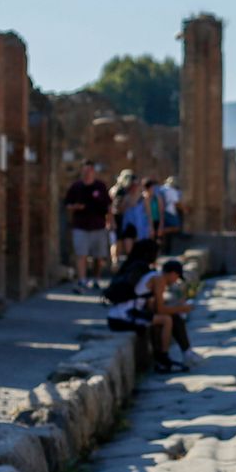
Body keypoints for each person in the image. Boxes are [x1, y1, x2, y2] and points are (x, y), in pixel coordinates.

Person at [105, 242, 194, 373]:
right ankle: (164, 359)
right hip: (123, 316)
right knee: (166, 320)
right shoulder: (158, 280)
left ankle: (167, 356)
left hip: (121, 314)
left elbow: (153, 307)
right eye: (176, 277)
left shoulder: (153, 276)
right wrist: (182, 309)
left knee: (163, 319)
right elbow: (161, 309)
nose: (176, 280)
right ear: (171, 273)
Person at [63, 160, 113, 293]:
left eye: (89, 171)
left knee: (98, 256)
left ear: (93, 172)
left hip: (98, 226)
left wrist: (111, 222)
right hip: (80, 226)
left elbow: (108, 206)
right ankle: (82, 280)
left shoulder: (100, 186)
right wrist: (75, 207)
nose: (87, 173)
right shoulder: (76, 187)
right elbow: (67, 204)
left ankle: (96, 279)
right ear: (82, 172)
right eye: (85, 171)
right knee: (81, 254)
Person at [158, 176, 182, 249]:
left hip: (160, 211)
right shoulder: (172, 191)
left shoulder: (161, 189)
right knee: (176, 227)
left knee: (165, 227)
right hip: (170, 212)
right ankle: (159, 232)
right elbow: (176, 203)